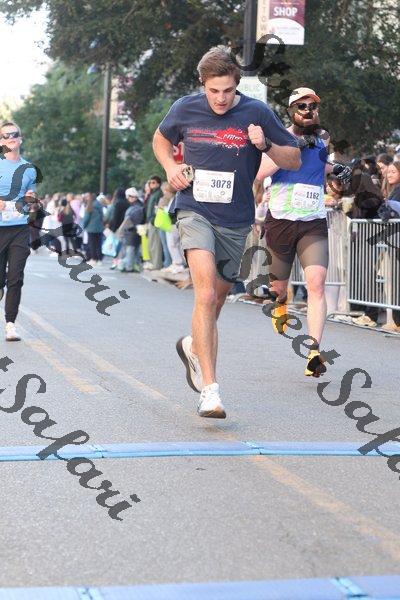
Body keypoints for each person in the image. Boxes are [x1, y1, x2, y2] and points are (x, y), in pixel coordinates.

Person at [153, 46, 300, 418]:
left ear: (237, 85)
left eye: (228, 91)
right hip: (194, 210)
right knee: (204, 295)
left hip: (235, 220)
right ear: (202, 84)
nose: (220, 98)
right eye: (213, 90)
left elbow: (294, 158)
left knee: (216, 301)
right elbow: (161, 139)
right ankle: (210, 391)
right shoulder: (184, 108)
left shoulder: (256, 112)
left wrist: (265, 144)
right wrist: (170, 166)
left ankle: (193, 346)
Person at [256, 87, 350, 377]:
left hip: (312, 220)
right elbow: (260, 173)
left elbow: (319, 168)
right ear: (292, 111)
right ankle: (280, 303)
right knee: (278, 287)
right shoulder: (280, 137)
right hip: (281, 220)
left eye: (313, 106)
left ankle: (314, 352)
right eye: (302, 106)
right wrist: (292, 148)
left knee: (316, 284)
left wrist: (336, 169)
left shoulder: (323, 138)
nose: (309, 110)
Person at [0, 121, 38, 341]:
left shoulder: (29, 169)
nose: (10, 138)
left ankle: (10, 324)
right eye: (6, 135)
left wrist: (31, 198)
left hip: (19, 229)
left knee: (16, 277)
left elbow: (31, 194)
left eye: (14, 134)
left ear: (21, 139)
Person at [116, 187, 144, 272]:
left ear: (132, 197)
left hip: (132, 231)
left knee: (130, 250)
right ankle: (133, 265)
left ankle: (129, 266)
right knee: (134, 250)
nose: (127, 199)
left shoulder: (136, 207)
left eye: (128, 197)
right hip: (133, 231)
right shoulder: (138, 206)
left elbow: (135, 220)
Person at [145, 175, 163, 270]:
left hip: (155, 221)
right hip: (151, 220)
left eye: (153, 182)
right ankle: (152, 263)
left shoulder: (158, 193)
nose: (151, 184)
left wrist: (153, 220)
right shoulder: (152, 193)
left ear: (158, 184)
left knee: (155, 244)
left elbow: (158, 208)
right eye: (150, 182)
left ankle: (156, 265)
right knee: (151, 244)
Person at [83, 192, 104, 266]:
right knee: (98, 244)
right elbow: (102, 216)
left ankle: (93, 259)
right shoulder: (100, 205)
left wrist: (84, 226)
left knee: (92, 244)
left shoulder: (90, 205)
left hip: (91, 228)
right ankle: (99, 259)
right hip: (99, 227)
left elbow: (86, 218)